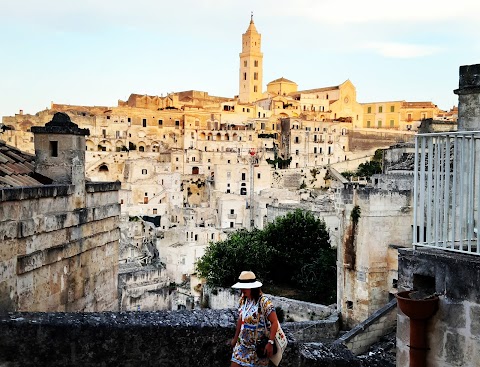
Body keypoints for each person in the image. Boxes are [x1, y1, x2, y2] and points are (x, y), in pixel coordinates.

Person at [230, 271, 279, 367]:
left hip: (258, 348)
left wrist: (270, 342)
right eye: (241, 286)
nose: (242, 289)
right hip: (242, 345)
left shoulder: (264, 302)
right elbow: (241, 319)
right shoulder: (243, 300)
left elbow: (274, 322)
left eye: (245, 287)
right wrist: (235, 339)